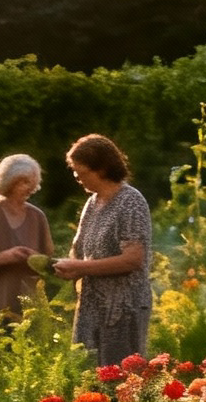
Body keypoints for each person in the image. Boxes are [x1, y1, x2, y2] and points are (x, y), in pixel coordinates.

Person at [53, 134, 153, 366]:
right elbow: (80, 250)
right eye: (74, 172)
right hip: (91, 306)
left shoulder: (131, 201)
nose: (77, 177)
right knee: (86, 374)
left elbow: (133, 259)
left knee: (119, 376)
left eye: (81, 172)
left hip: (122, 308)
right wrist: (69, 268)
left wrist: (81, 267)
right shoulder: (93, 203)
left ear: (102, 168)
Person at [0, 154, 56, 325]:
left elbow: (49, 262)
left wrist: (33, 257)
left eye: (32, 183)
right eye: (24, 182)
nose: (30, 188)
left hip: (28, 298)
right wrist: (8, 256)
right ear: (9, 181)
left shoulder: (37, 216)